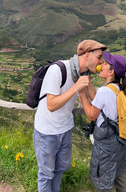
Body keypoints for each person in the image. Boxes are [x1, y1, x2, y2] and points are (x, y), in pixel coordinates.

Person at [33, 39, 107, 192]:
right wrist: (76, 88)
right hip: (46, 131)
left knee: (61, 168)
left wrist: (112, 90)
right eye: (99, 57)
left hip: (65, 129)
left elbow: (95, 97)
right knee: (46, 174)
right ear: (87, 55)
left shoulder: (83, 74)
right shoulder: (57, 70)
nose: (101, 61)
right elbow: (51, 105)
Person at [79, 51, 126, 192]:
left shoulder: (105, 91)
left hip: (106, 146)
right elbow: (98, 99)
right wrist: (88, 81)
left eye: (105, 63)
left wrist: (81, 94)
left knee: (104, 180)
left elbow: (92, 115)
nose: (101, 64)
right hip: (117, 142)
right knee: (119, 173)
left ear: (111, 71)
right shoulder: (117, 89)